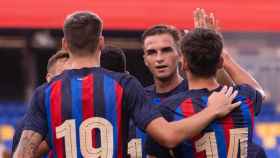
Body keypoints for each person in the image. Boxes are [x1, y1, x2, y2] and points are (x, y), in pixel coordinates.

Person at [13, 11, 240, 158]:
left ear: (64, 44)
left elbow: (23, 154)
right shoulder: (123, 84)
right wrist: (212, 110)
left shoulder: (46, 92)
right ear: (101, 42)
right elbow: (168, 136)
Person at [146, 28, 266, 158]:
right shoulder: (243, 98)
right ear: (220, 62)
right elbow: (258, 90)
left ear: (184, 63)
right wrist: (226, 58)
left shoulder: (168, 109)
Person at [12, 49, 70, 157]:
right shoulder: (25, 126)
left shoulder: (86, 112)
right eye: (62, 76)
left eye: (72, 75)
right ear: (49, 78)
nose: (68, 81)